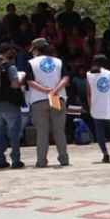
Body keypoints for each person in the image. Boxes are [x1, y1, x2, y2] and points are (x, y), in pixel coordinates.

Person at [25, 38, 70, 168]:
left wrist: (45, 90)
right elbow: (65, 78)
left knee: (42, 132)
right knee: (59, 131)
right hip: (57, 97)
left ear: (36, 50)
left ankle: (41, 161)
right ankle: (64, 158)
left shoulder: (31, 63)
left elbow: (30, 81)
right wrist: (55, 90)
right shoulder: (58, 62)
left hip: (39, 99)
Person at [0, 43, 25, 170]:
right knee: (14, 132)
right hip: (10, 104)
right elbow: (15, 84)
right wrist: (22, 80)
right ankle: (15, 159)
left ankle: (0, 160)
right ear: (8, 51)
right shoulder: (10, 67)